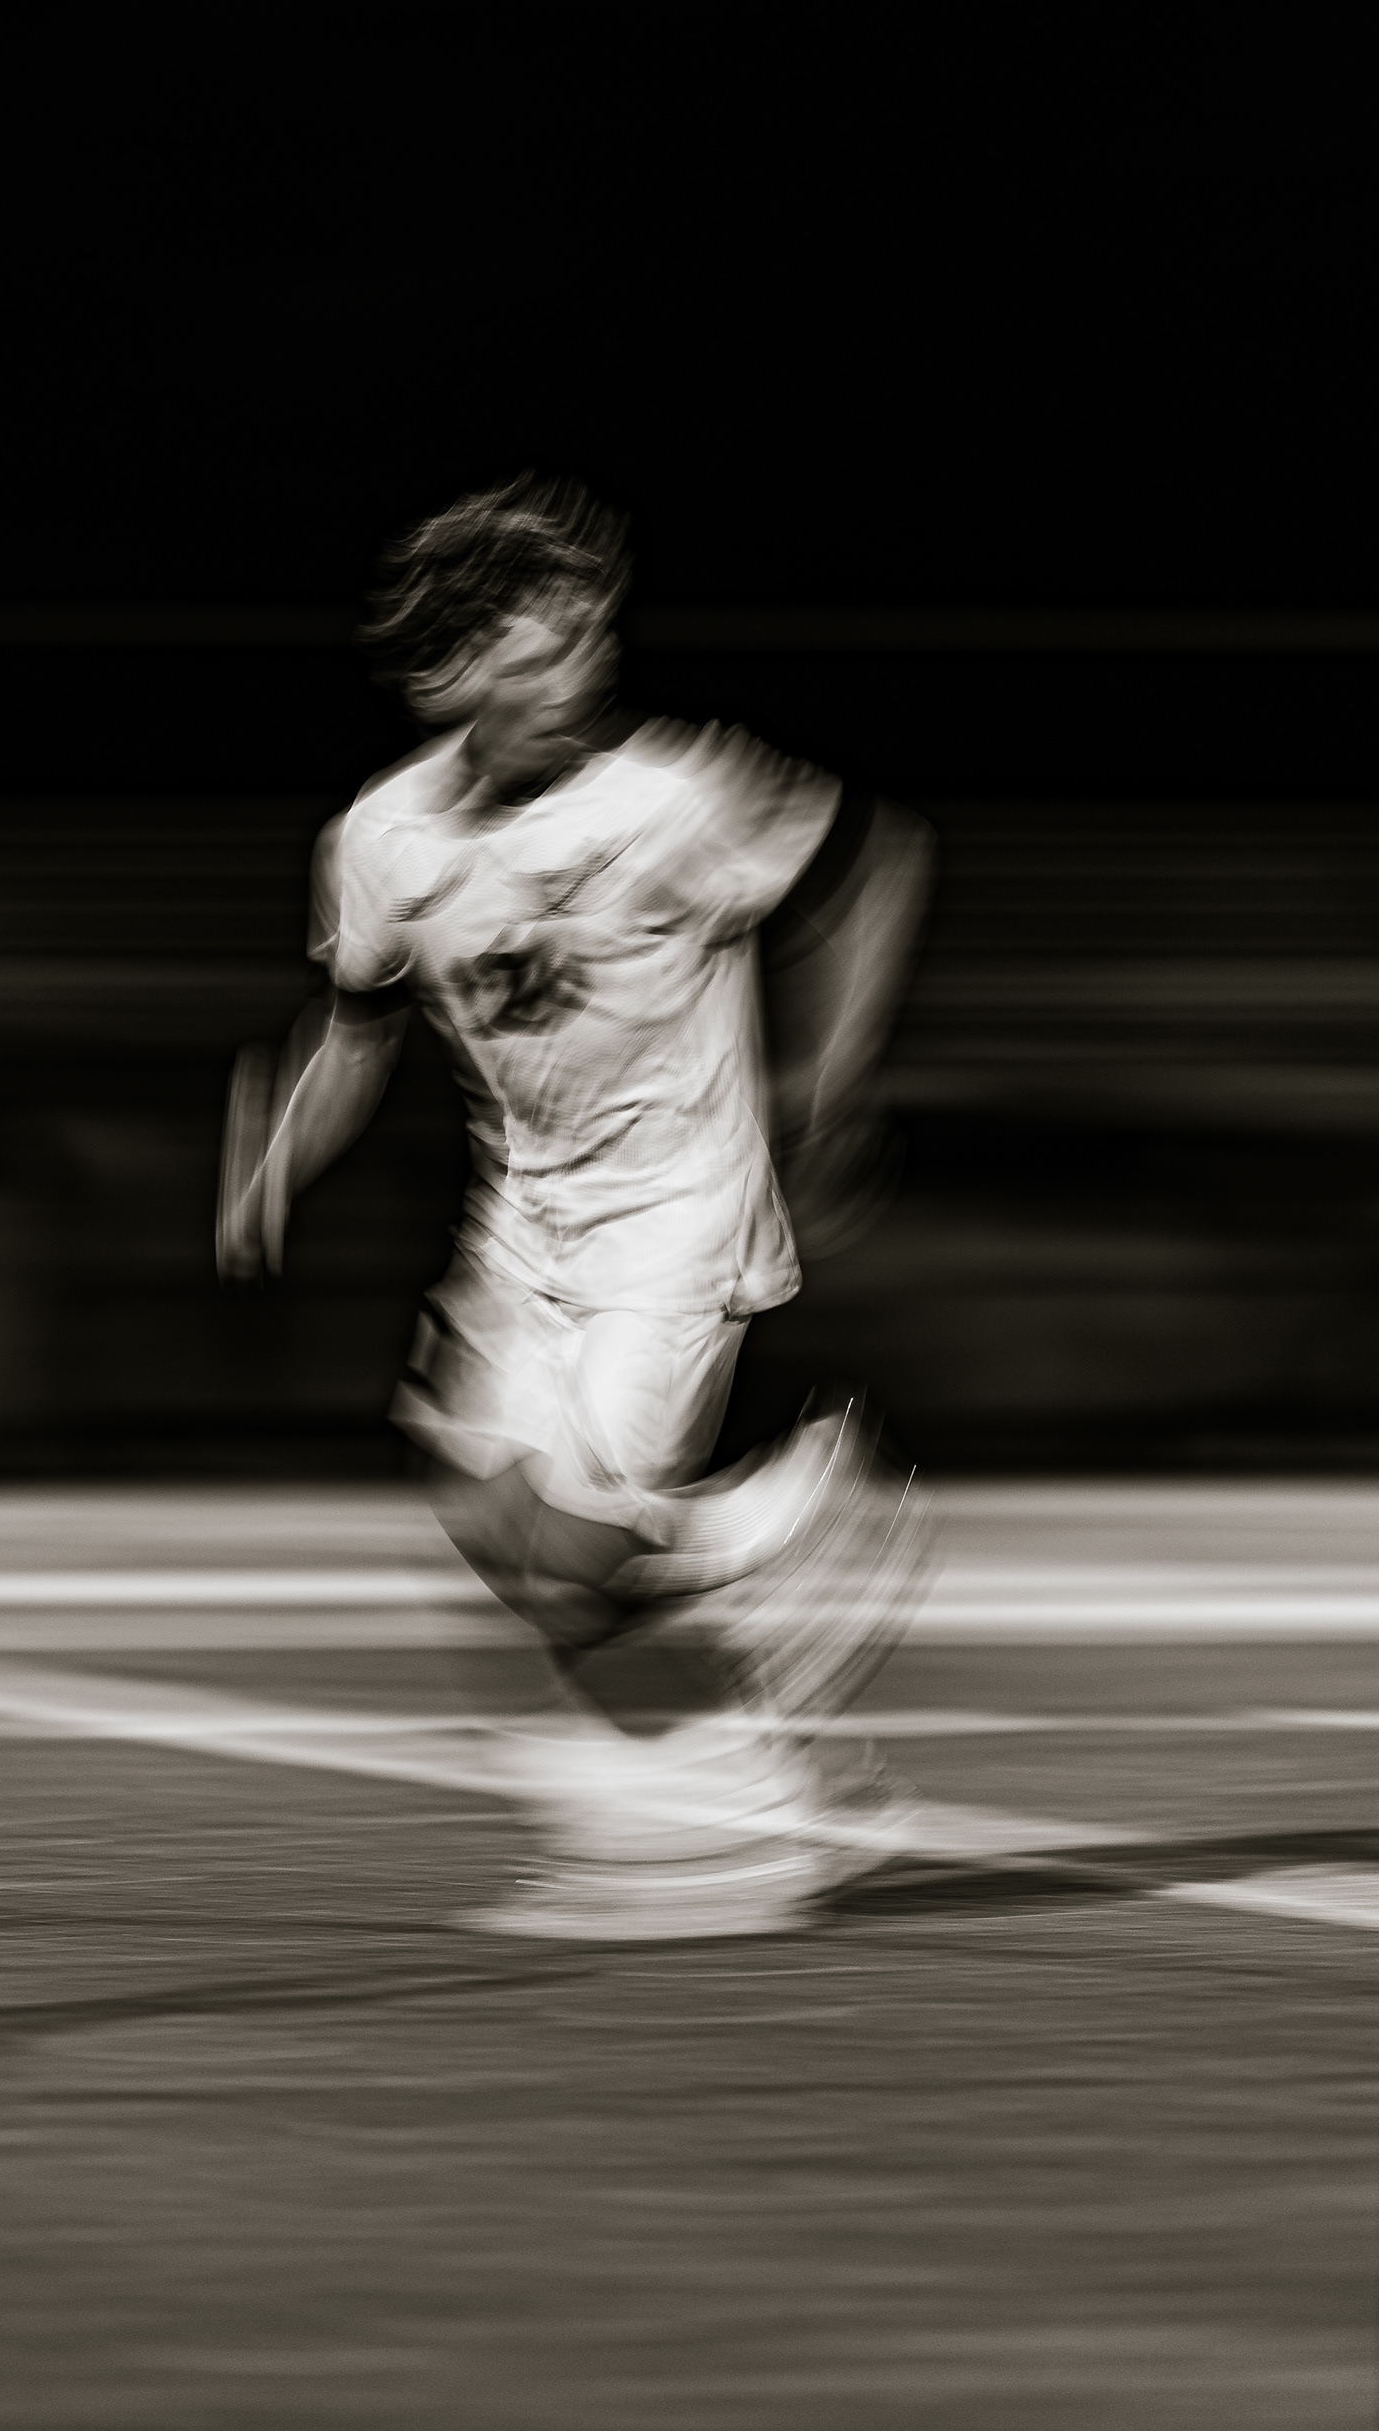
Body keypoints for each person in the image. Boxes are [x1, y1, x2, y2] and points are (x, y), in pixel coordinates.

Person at [218, 471, 937, 1938]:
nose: (585, 672)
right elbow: (353, 1036)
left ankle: (791, 1525)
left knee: (580, 1551)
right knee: (493, 1530)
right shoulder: (383, 837)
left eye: (592, 638)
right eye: (545, 651)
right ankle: (786, 1776)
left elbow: (875, 873)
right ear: (455, 670)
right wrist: (279, 1159)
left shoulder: (670, 795)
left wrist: (830, 1089)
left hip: (674, 1213)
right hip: (527, 1217)